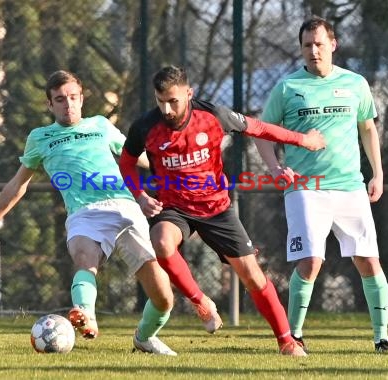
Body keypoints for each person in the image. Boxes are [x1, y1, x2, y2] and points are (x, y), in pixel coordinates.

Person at [0, 70, 177, 356]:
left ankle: (145, 337)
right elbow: (17, 185)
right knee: (85, 258)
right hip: (84, 213)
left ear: (82, 99)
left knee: (163, 299)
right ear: (50, 105)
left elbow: (141, 158)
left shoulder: (101, 125)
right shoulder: (40, 138)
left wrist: (177, 169)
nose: (68, 104)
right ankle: (86, 314)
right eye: (60, 99)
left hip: (125, 207)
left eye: (73, 97)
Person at [118, 65, 326, 357]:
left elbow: (259, 127)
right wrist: (139, 195)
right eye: (160, 100)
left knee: (252, 275)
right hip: (174, 207)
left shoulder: (214, 115)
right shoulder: (145, 127)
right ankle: (200, 301)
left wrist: (303, 140)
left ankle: (286, 342)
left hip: (217, 208)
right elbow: (126, 163)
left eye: (173, 101)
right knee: (162, 242)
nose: (166, 108)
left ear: (189, 94)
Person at [255, 16, 388, 353]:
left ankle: (382, 338)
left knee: (368, 260)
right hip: (306, 188)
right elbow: (261, 132)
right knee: (311, 261)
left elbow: (367, 128)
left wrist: (377, 172)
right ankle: (293, 337)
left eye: (319, 44)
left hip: (350, 187)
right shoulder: (288, 88)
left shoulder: (355, 84)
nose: (313, 51)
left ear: (333, 44)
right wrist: (275, 167)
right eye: (307, 45)